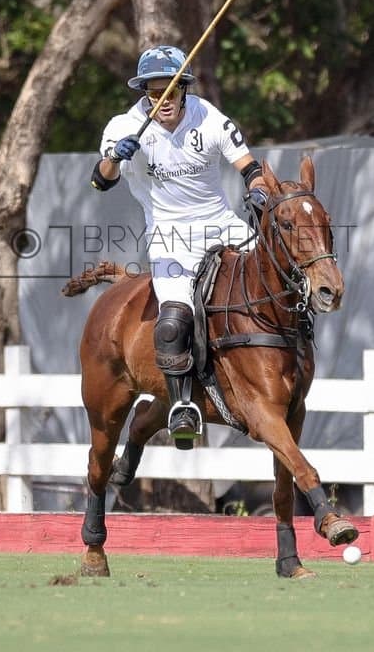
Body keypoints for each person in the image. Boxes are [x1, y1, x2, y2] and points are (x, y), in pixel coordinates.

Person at [91, 44, 267, 448]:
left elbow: (250, 168)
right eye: (155, 93)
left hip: (222, 224)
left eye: (171, 91)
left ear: (184, 89)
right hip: (170, 235)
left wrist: (257, 192)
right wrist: (115, 159)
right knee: (173, 320)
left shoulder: (209, 118)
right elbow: (99, 180)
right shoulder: (125, 126)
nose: (164, 100)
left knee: (277, 277)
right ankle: (183, 405)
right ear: (145, 95)